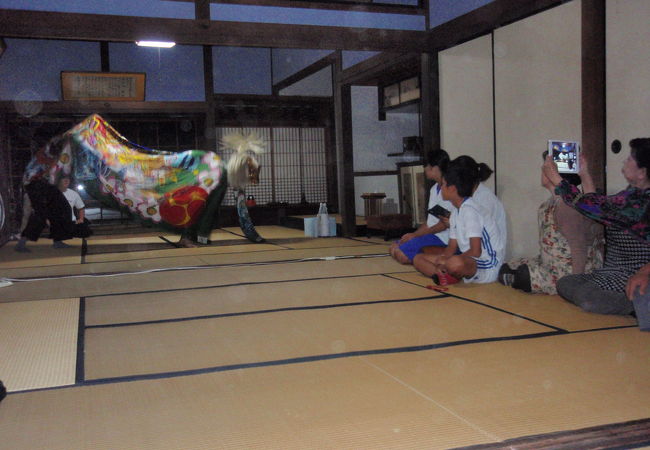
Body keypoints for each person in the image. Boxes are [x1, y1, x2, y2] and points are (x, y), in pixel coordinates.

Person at [541, 138, 650, 315]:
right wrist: (584, 174)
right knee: (566, 283)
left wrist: (557, 179)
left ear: (642, 172)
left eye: (630, 158)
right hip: (612, 273)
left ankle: (634, 304)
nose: (625, 160)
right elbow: (596, 207)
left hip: (631, 274)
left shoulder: (637, 203)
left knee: (588, 298)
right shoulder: (631, 196)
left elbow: (592, 206)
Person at [498, 152, 603, 294]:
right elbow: (592, 200)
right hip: (550, 263)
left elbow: (579, 247)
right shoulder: (555, 201)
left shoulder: (566, 206)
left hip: (568, 271)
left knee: (523, 275)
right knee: (508, 266)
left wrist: (574, 285)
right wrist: (584, 173)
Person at [412, 157, 506, 285]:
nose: (441, 187)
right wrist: (444, 259)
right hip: (468, 259)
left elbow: (475, 251)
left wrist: (447, 262)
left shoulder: (470, 210)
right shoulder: (456, 211)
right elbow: (451, 247)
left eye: (444, 184)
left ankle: (446, 274)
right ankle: (443, 275)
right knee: (418, 258)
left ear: (452, 189)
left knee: (454, 263)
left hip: (487, 265)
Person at [389, 149, 452, 264]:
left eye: (426, 166)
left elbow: (443, 224)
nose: (424, 169)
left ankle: (431, 258)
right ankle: (425, 256)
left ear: (435, 168)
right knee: (394, 247)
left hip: (443, 237)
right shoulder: (434, 189)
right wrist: (413, 235)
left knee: (401, 254)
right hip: (432, 234)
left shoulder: (450, 189)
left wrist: (416, 235)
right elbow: (430, 222)